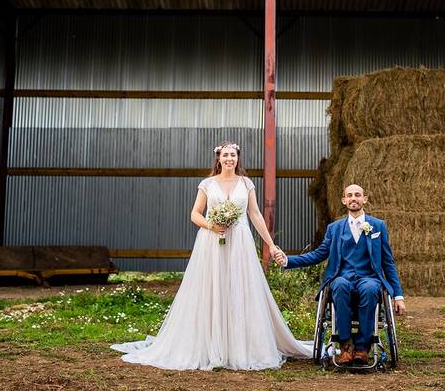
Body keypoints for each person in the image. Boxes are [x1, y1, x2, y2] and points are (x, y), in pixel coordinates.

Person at [110, 141, 310, 370]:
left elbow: (255, 215)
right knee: (212, 288)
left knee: (238, 288)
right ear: (218, 158)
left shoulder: (246, 184)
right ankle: (211, 344)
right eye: (225, 155)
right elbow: (195, 214)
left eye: (233, 155)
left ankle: (239, 346)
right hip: (212, 242)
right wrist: (210, 226)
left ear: (238, 158)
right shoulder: (207, 184)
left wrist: (271, 244)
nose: (229, 159)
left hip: (240, 243)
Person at [275, 183, 405, 365]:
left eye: (357, 195)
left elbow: (387, 262)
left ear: (364, 199)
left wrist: (398, 295)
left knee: (370, 288)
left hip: (368, 278)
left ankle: (362, 348)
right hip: (342, 277)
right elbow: (319, 254)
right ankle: (345, 346)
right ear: (344, 200)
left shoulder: (377, 226)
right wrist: (289, 260)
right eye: (350, 195)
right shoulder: (334, 228)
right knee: (340, 285)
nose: (354, 198)